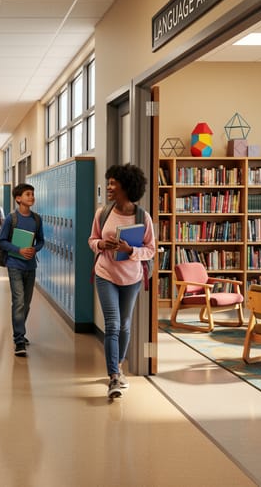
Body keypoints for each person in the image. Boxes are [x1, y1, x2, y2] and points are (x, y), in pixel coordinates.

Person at [88, 164, 156, 400]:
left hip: (132, 277)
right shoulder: (102, 213)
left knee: (125, 324)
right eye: (109, 182)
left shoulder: (142, 217)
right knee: (113, 324)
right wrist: (100, 245)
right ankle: (114, 376)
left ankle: (118, 366)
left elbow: (151, 250)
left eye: (113, 183)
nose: (109, 187)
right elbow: (92, 239)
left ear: (127, 187)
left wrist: (131, 251)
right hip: (105, 273)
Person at [0, 183, 44, 356]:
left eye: (33, 194)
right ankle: (19, 339)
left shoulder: (37, 219)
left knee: (26, 303)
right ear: (18, 199)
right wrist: (19, 250)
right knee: (18, 301)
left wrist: (34, 249)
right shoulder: (11, 219)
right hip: (14, 265)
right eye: (28, 194)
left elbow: (41, 240)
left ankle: (19, 330)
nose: (32, 197)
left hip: (31, 266)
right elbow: (2, 241)